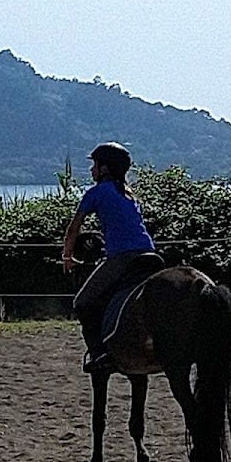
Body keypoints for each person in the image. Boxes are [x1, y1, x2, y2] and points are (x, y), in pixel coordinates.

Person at [62, 142, 157, 373]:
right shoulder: (131, 195)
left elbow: (74, 229)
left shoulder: (96, 193)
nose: (91, 170)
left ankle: (99, 353)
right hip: (151, 255)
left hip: (122, 257)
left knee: (82, 303)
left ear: (104, 168)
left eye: (95, 165)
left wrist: (67, 256)